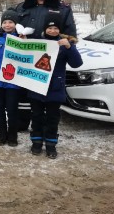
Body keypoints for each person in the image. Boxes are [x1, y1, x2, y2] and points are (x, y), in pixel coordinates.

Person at [13, 0, 77, 132]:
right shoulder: (22, 7)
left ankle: (42, 128)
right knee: (23, 94)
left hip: (48, 62)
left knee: (42, 97)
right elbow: (10, 29)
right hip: (25, 60)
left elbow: (71, 36)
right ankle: (22, 124)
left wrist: (64, 43)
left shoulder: (62, 9)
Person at [27, 12, 83, 159]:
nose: (52, 31)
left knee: (53, 118)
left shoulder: (64, 44)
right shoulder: (37, 42)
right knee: (37, 117)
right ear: (45, 28)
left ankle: (51, 144)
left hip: (55, 89)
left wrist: (70, 47)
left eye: (56, 28)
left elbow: (77, 63)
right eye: (50, 28)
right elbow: (24, 57)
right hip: (37, 86)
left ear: (60, 29)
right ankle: (36, 142)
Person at [0, 9, 21, 147]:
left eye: (10, 22)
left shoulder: (21, 39)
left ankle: (12, 135)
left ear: (15, 24)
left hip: (14, 81)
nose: (7, 25)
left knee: (12, 109)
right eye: (5, 22)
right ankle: (2, 133)